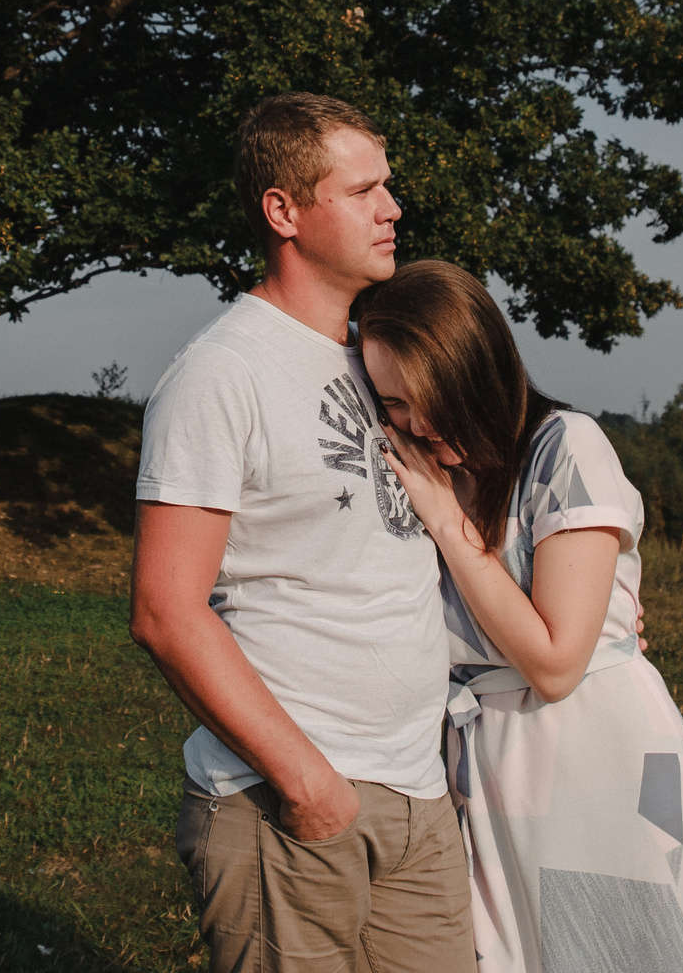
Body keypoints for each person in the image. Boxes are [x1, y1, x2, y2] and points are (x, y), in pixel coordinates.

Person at [131, 93, 474, 973]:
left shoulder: (381, 358)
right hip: (290, 805)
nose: (392, 209)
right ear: (283, 211)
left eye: (387, 187)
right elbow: (167, 613)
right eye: (363, 191)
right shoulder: (221, 373)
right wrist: (306, 783)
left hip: (419, 796)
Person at [362, 260, 683, 973]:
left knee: (630, 955)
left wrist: (449, 525)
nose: (415, 423)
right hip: (491, 762)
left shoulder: (566, 448)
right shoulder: (435, 473)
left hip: (599, 754)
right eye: (393, 403)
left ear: (477, 371)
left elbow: (557, 663)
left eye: (427, 398)